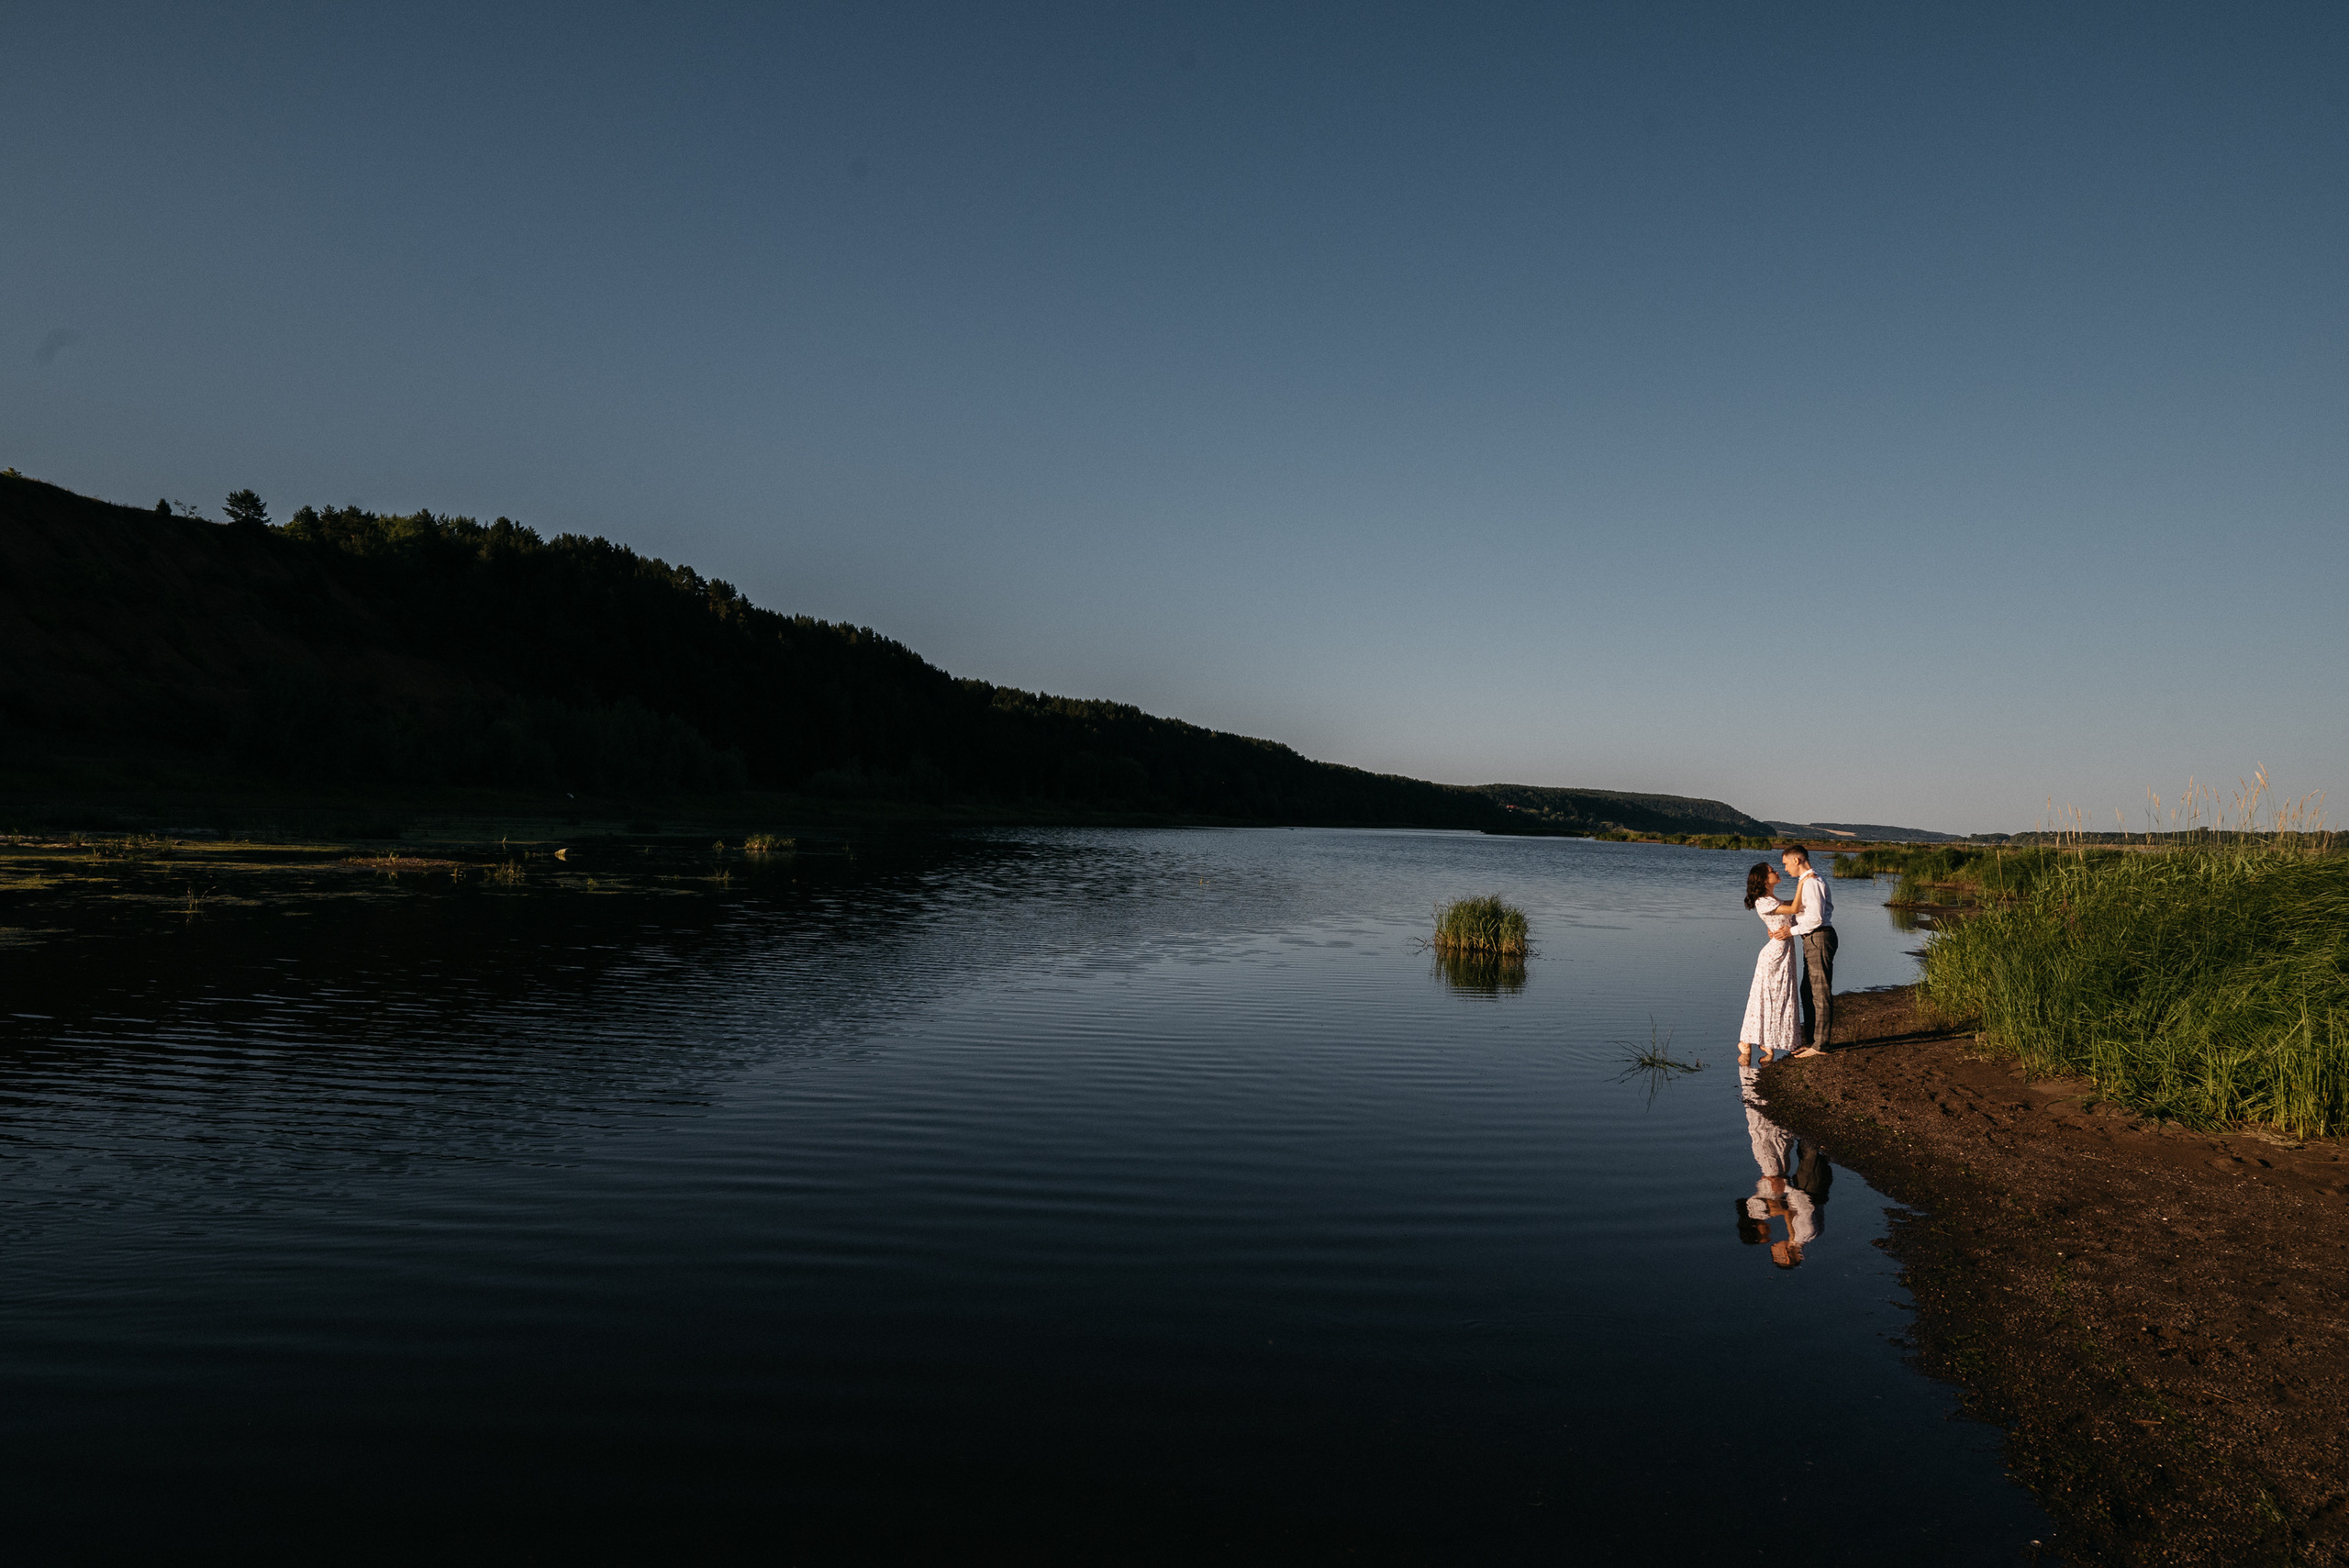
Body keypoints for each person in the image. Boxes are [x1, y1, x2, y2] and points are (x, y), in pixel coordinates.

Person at [1735, 862, 1801, 1066]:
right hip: (1774, 955)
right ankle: (1746, 1042)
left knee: (1777, 996)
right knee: (1766, 997)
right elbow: (1795, 908)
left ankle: (1764, 1040)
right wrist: (1803, 882)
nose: (1777, 872)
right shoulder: (1763, 901)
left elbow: (1792, 909)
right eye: (1773, 871)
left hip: (1783, 952)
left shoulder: (1772, 899)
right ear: (1764, 880)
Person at [1780, 845, 1836, 1057]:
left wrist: (1790, 931)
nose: (1785, 869)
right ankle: (1813, 1041)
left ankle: (1821, 1045)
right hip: (1813, 938)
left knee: (1819, 991)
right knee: (1808, 990)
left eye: (1786, 863)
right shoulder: (1809, 880)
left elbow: (1816, 918)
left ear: (1796, 860)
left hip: (1819, 937)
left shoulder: (1811, 882)